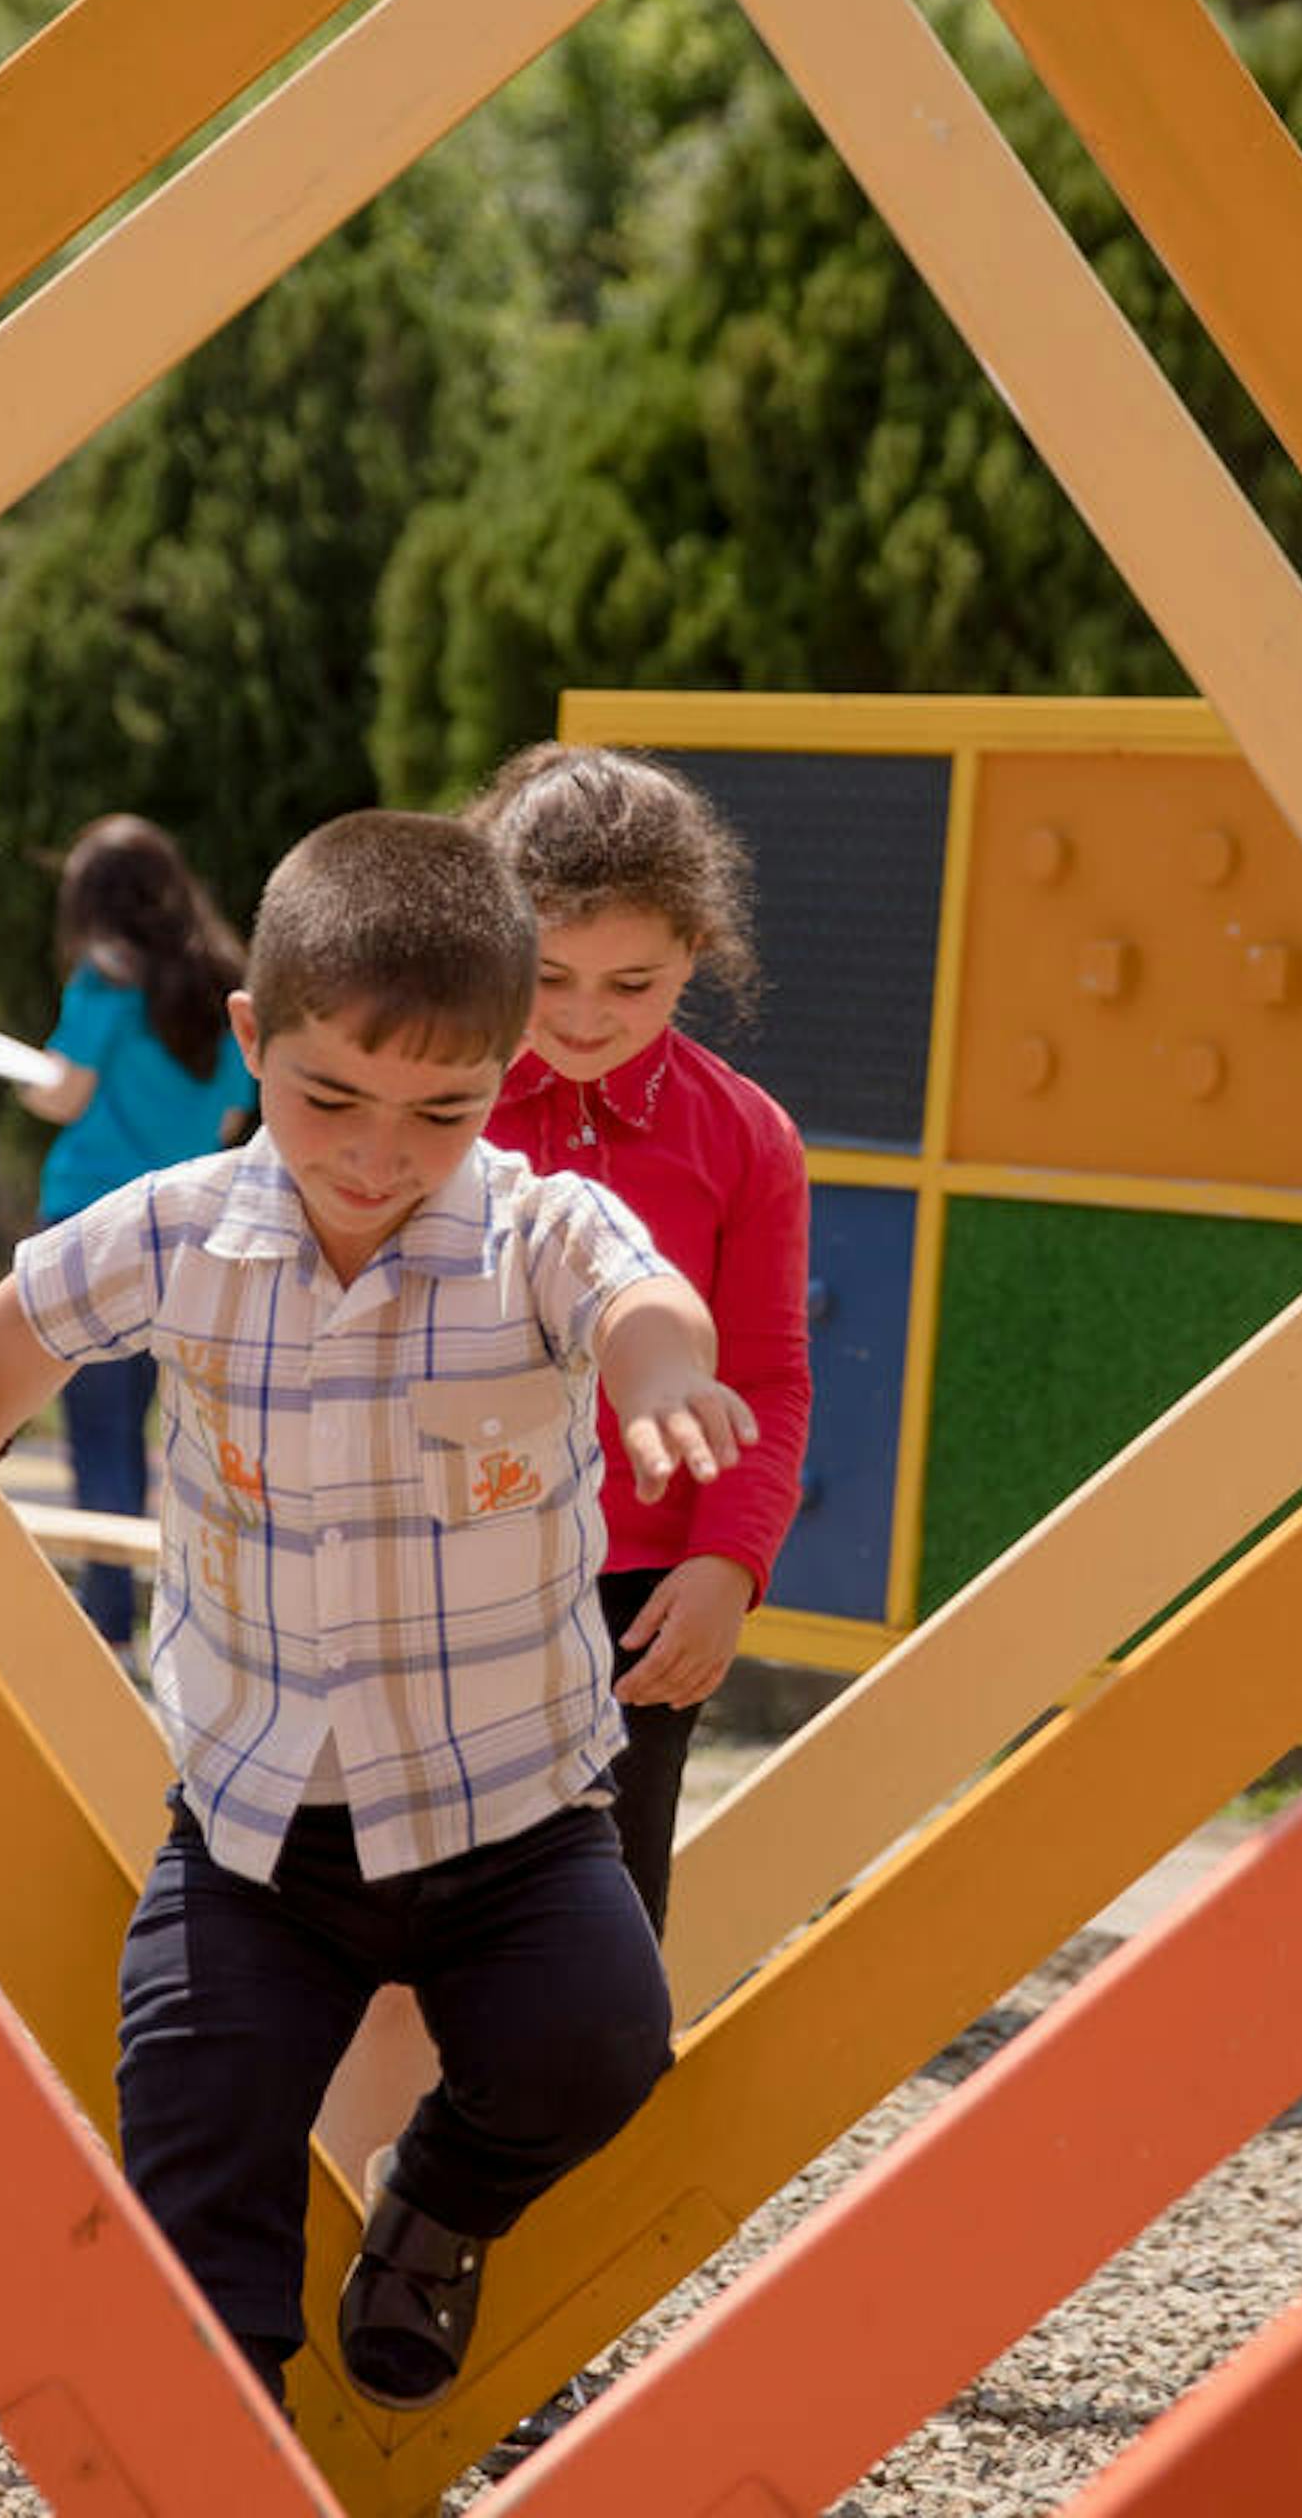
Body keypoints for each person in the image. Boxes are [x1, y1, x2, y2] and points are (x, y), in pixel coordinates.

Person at [0, 812, 749, 2417]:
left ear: (506, 1070)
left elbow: (645, 1297)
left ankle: (435, 2209)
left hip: (512, 1815)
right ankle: (227, 2410)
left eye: (440, 1109)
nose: (379, 1154)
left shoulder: (535, 1231)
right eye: (331, 1099)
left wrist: (668, 1380)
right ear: (255, 1038)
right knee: (192, 2113)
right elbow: (19, 1323)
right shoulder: (177, 1232)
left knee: (601, 2044)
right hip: (257, 1838)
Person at [464, 743, 810, 1934]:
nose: (580, 1017)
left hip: (641, 1605)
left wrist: (728, 1567)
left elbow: (765, 1374)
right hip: (422, 1572)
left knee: (592, 1949)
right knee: (396, 1924)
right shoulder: (421, 1096)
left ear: (696, 956)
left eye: (633, 984)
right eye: (548, 974)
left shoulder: (748, 1136)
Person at [12, 815, 256, 1641]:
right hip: (193, 1223)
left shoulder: (102, 983)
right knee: (187, 1431)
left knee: (101, 1428)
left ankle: (108, 1616)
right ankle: (189, 1613)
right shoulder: (224, 978)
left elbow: (65, 1095)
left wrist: (26, 1084)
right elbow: (231, 1116)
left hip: (88, 1218)